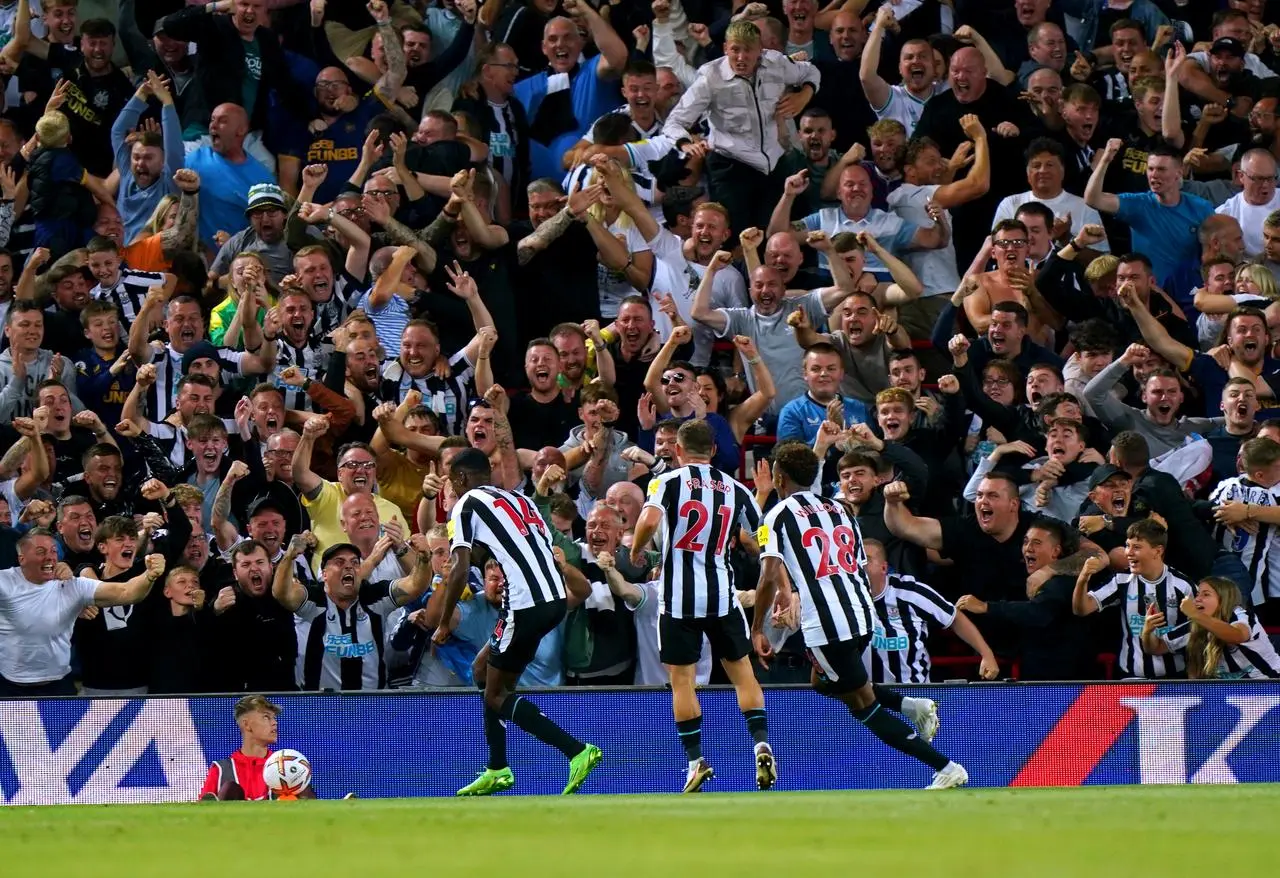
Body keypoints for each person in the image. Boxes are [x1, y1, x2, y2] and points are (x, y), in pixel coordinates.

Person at [752, 442, 968, 789]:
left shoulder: (776, 515)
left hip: (826, 625)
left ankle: (945, 766)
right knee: (822, 682)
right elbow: (853, 564)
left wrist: (756, 628)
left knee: (862, 706)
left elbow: (767, 574)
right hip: (862, 614)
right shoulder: (840, 510)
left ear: (778, 477)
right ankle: (912, 706)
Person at [434, 447, 601, 796]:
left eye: (452, 482)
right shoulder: (519, 500)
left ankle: (576, 750)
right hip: (554, 597)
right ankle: (497, 767)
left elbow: (461, 567)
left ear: (461, 479)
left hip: (525, 603)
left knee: (496, 696)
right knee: (482, 672)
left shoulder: (466, 503)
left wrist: (445, 620)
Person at [630, 419, 772, 793]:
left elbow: (649, 518)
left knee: (682, 681)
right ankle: (760, 742)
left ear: (677, 450)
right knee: (743, 674)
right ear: (713, 450)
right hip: (723, 596)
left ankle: (695, 761)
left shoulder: (667, 482)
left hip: (678, 601)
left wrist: (636, 548)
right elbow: (759, 541)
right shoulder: (736, 488)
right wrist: (781, 585)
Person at [0, 527, 164, 696]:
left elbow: (127, 592)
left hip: (58, 685)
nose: (49, 557)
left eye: (53, 551)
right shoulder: (4, 582)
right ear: (22, 559)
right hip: (9, 686)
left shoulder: (73, 585)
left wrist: (149, 575)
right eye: (40, 552)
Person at [272, 531, 433, 691]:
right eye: (339, 562)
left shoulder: (374, 597)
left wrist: (424, 558)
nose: (348, 566)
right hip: (321, 707)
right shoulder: (314, 599)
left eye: (355, 562)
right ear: (324, 574)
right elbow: (281, 593)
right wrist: (290, 556)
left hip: (372, 705)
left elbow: (415, 585)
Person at [861, 539, 999, 683]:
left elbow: (954, 617)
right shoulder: (844, 599)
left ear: (884, 568)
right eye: (855, 559)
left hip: (914, 692)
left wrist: (987, 654)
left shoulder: (911, 592)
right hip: (865, 697)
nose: (859, 564)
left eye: (866, 560)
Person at [1072, 516, 1194, 679]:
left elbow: (1200, 626)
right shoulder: (1121, 580)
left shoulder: (1183, 585)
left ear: (1157, 551)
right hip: (1131, 678)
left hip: (1176, 679)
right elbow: (1082, 609)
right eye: (1127, 546)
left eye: (1136, 547)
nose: (1128, 553)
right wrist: (1083, 578)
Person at [1143, 576, 1280, 679]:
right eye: (1197, 594)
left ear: (1224, 599)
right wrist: (1148, 631)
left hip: (1269, 685)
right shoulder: (1195, 625)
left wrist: (1195, 614)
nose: (1197, 599)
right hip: (1228, 696)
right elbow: (1156, 647)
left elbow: (1237, 635)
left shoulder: (1241, 615)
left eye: (1206, 594)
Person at [198, 694, 317, 801]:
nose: (274, 722)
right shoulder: (220, 770)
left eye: (274, 718)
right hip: (233, 824)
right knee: (230, 789)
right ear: (247, 725)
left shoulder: (286, 766)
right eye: (266, 717)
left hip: (277, 824)